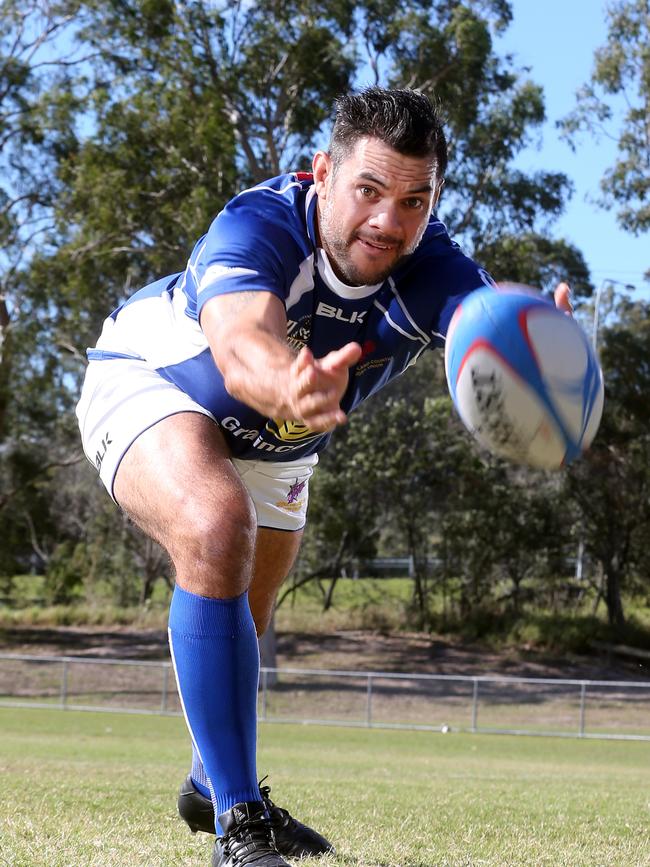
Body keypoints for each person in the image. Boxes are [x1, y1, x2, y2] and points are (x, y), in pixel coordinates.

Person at [76, 87, 572, 867]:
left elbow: (484, 320)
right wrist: (286, 384)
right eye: (368, 192)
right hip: (159, 380)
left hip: (282, 439)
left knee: (251, 607)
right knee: (215, 528)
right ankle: (241, 825)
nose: (388, 220)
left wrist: (539, 345)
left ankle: (211, 784)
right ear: (323, 175)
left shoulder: (429, 266)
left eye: (415, 200)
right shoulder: (257, 223)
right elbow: (242, 344)